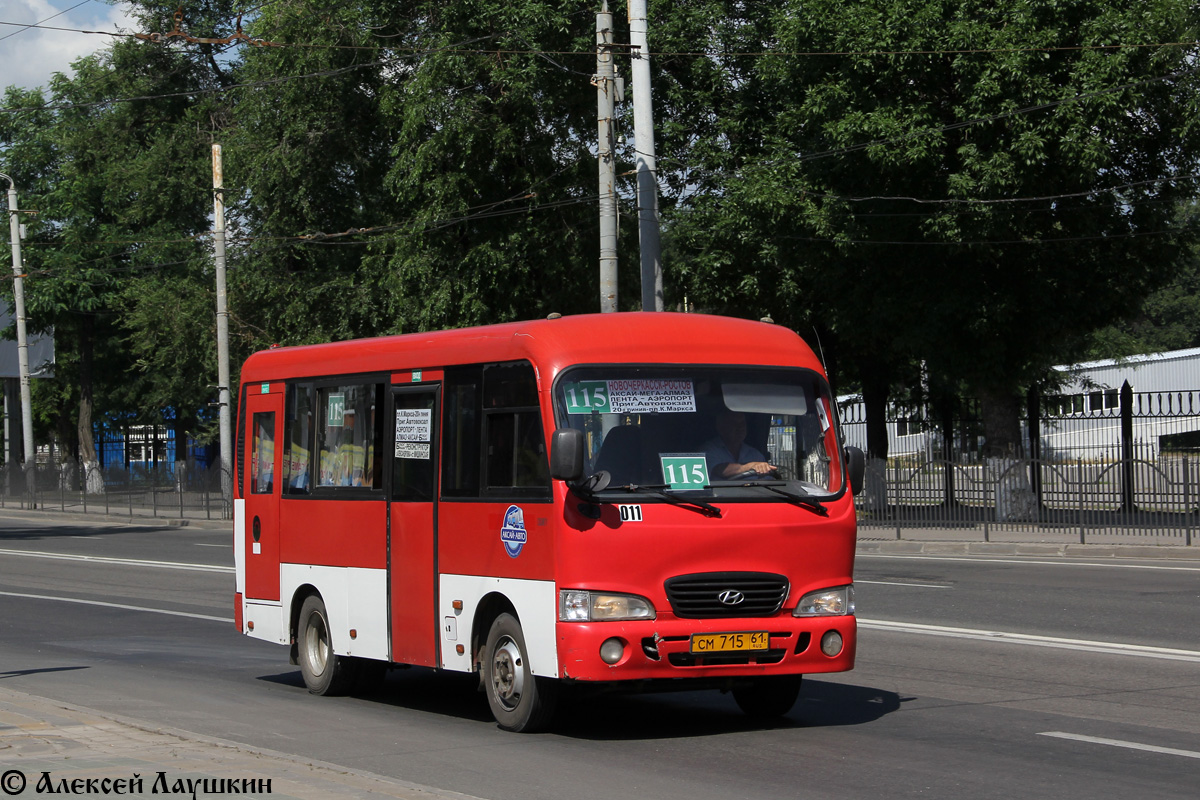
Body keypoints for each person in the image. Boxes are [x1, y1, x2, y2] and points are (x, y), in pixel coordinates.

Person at [703, 410, 776, 479]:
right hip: (718, 492)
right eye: (734, 424)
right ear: (720, 426)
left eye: (742, 424)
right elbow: (720, 470)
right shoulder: (708, 451)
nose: (740, 428)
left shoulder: (755, 455)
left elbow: (766, 481)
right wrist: (750, 466)